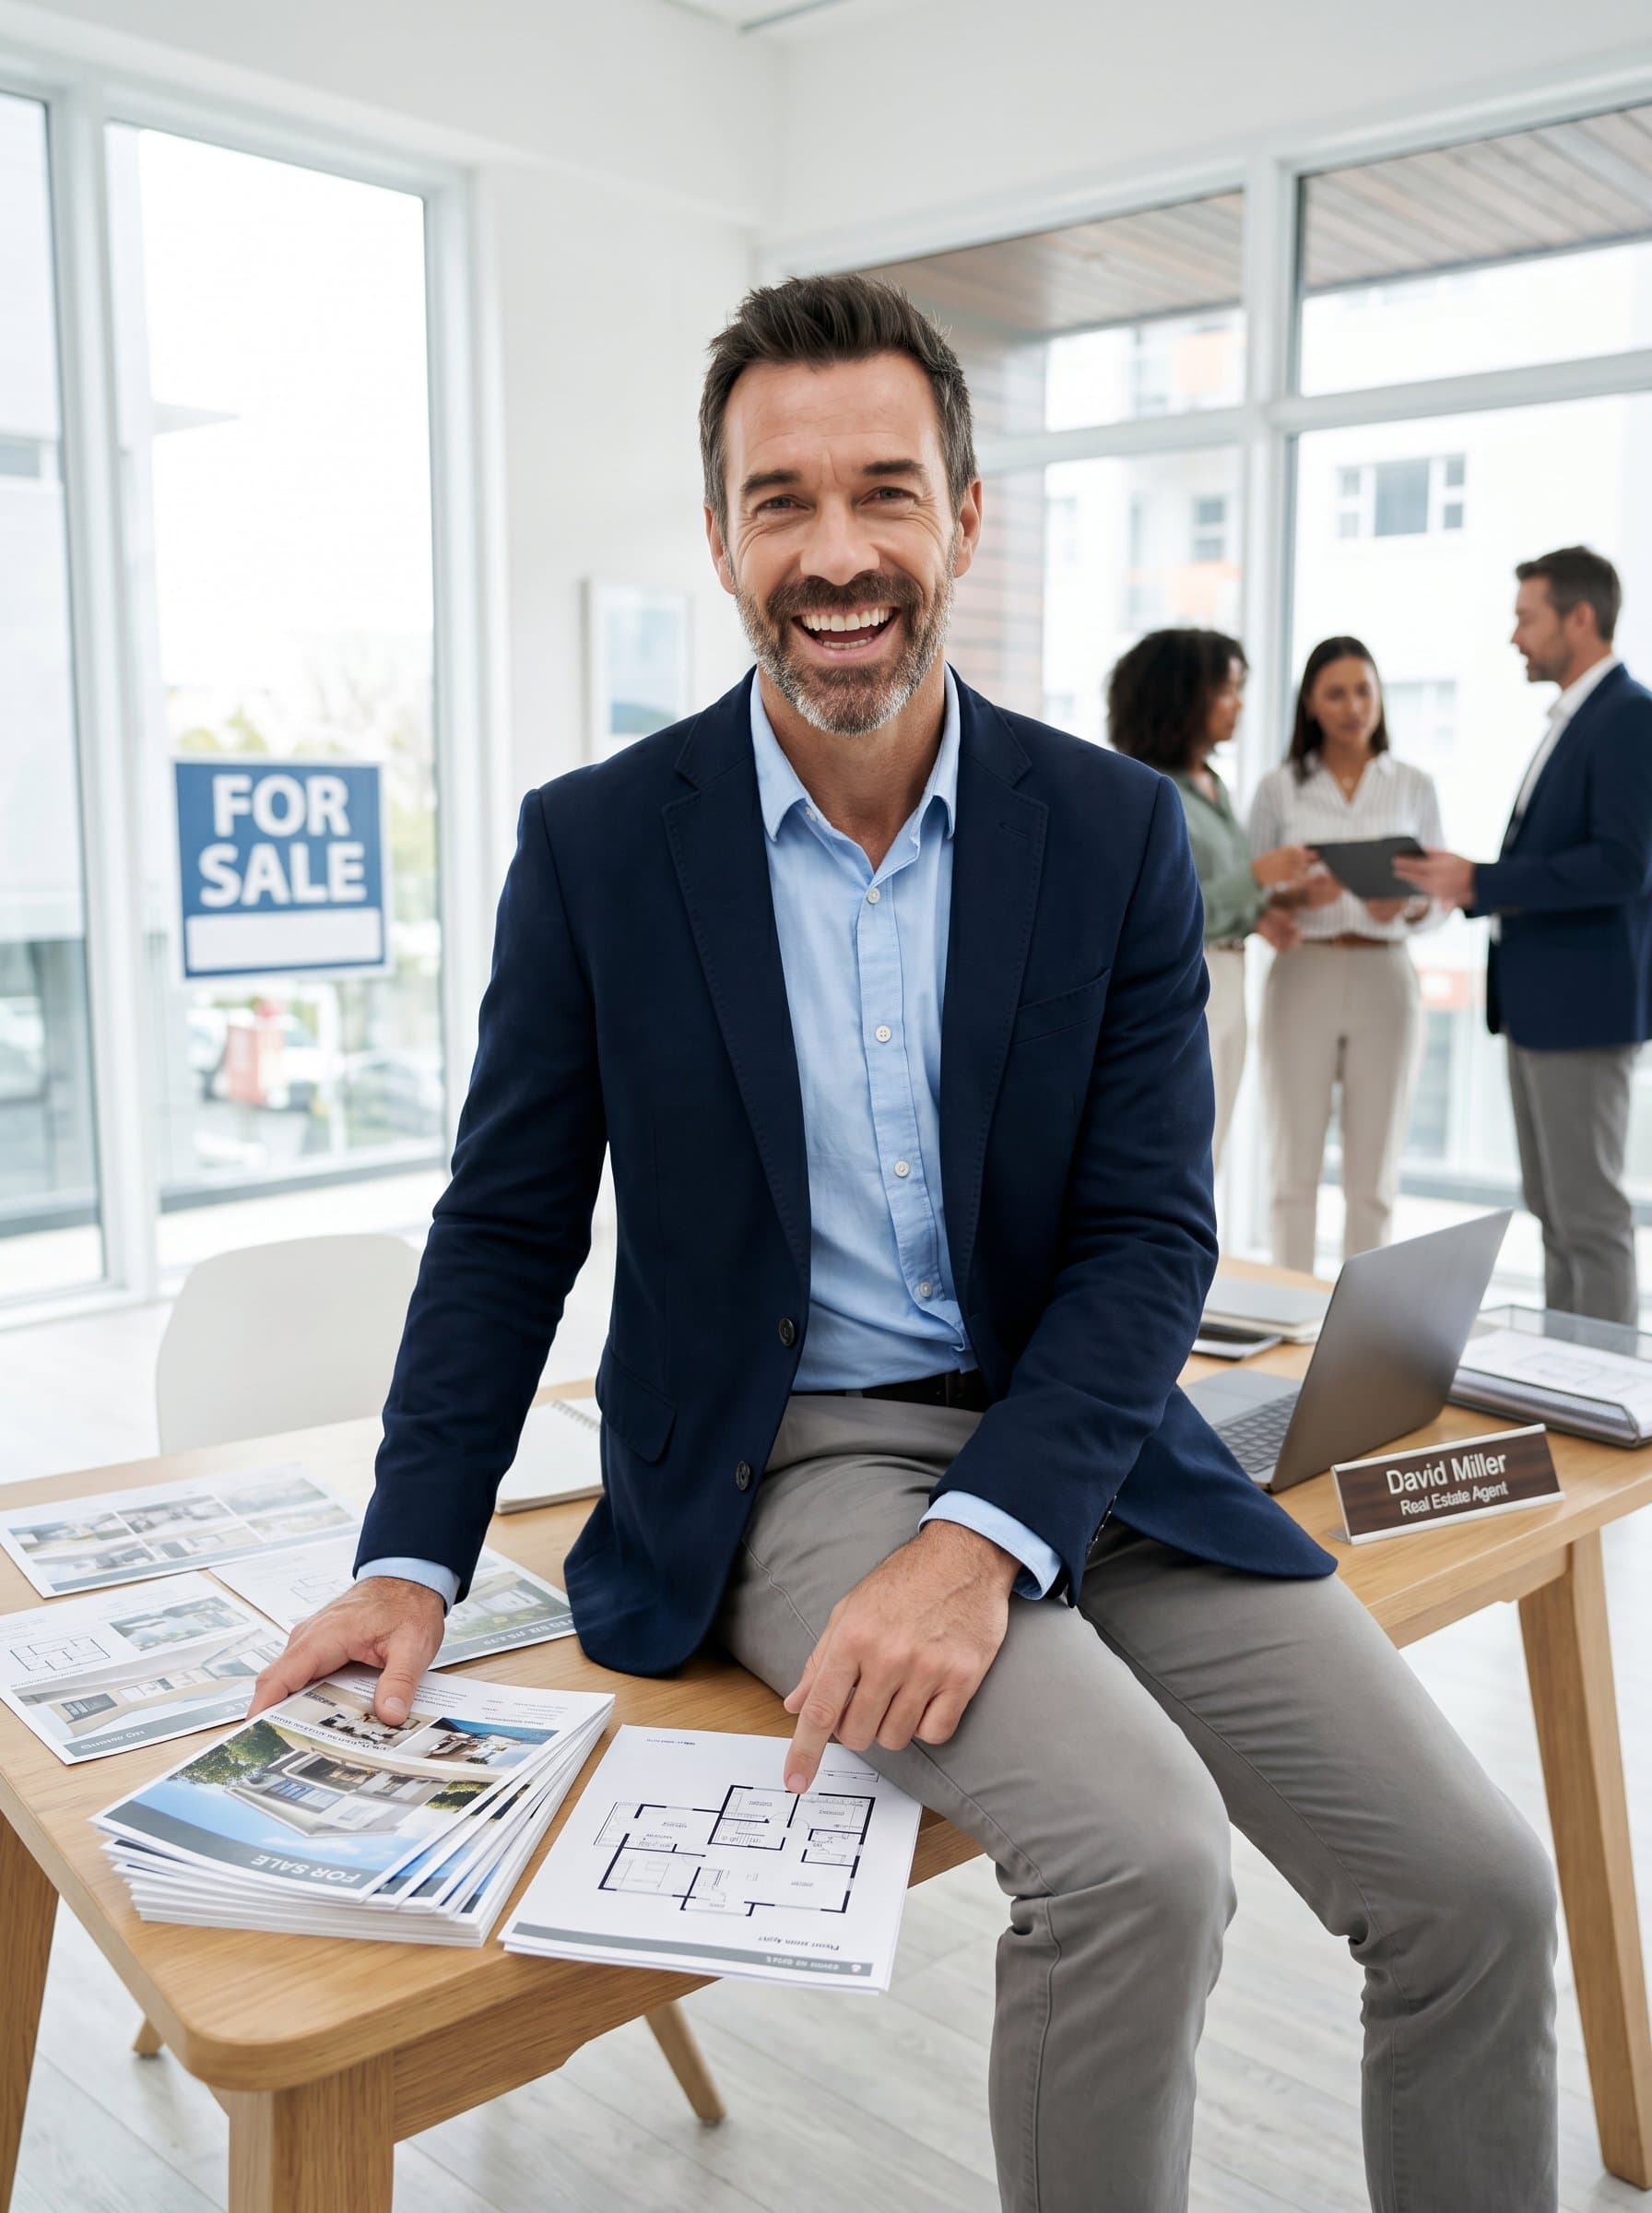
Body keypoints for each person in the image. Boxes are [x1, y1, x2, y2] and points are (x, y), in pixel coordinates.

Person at [250, 276, 1556, 2213]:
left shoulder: (1104, 832)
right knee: (1138, 1861)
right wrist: (407, 1553)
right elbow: (505, 1226)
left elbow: (1139, 1236)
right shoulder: (599, 846)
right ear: (721, 536)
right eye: (779, 502)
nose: (834, 552)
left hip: (1083, 1442)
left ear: (964, 516)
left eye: (882, 491)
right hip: (804, 1457)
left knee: (1475, 1888)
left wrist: (983, 1542)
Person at [1396, 547, 1652, 1326]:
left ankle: (1609, 1399)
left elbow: (1623, 864)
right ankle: (1570, 1379)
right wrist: (1474, 881)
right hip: (1546, 1005)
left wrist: (1482, 882)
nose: (1515, 638)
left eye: (1525, 618)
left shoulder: (1628, 716)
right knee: (1554, 1208)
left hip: (1583, 1008)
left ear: (1580, 618)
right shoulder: (1579, 720)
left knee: (1589, 1218)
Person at [1249, 639, 1445, 1272]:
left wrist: (1409, 906)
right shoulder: (1279, 789)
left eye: (1364, 689)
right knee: (1292, 1163)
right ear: (1310, 703)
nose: (1353, 706)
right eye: (1336, 693)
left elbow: (1439, 896)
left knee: (1374, 1173)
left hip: (1386, 976)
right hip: (1303, 970)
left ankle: (1365, 1336)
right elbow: (1248, 889)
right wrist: (1292, 894)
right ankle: (1291, 1317)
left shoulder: (1414, 784)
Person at [1106, 629, 1311, 1165]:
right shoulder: (1148, 788)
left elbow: (1214, 893)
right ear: (1184, 695)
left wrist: (1263, 914)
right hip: (1184, 984)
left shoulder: (1212, 784)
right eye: (1228, 690)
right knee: (1183, 1155)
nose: (1239, 705)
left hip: (1232, 980)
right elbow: (1169, 907)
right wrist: (1258, 876)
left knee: (1213, 1152)